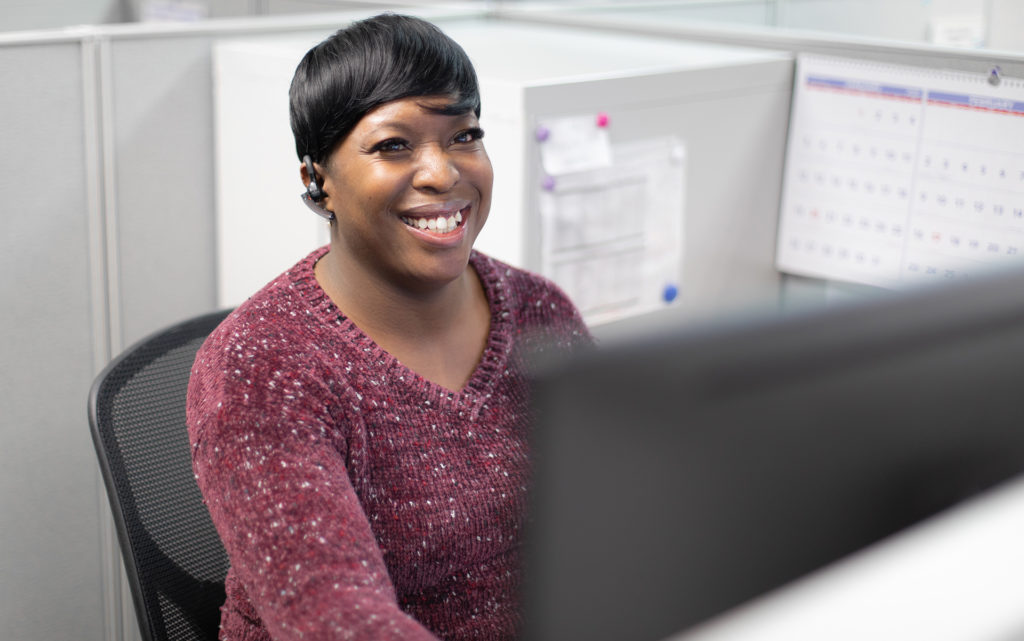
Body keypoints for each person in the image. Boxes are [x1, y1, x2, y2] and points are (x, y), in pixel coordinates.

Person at [187, 13, 591, 641]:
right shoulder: (263, 365)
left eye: (464, 136)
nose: (442, 173)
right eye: (392, 145)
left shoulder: (541, 312)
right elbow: (334, 618)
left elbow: (617, 514)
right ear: (318, 181)